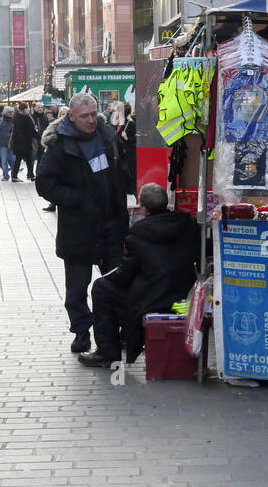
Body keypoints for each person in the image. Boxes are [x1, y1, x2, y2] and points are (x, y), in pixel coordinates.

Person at [36, 92, 129, 353]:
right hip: (78, 228)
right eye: (84, 116)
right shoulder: (60, 145)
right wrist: (75, 199)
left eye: (93, 115)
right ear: (72, 117)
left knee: (115, 282)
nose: (90, 121)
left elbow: (121, 170)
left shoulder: (107, 136)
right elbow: (44, 183)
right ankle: (81, 331)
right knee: (77, 288)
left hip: (111, 223)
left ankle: (115, 331)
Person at [79, 183, 200, 367]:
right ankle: (124, 339)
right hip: (182, 298)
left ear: (144, 208)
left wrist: (113, 274)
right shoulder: (188, 226)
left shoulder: (138, 234)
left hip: (154, 300)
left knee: (101, 288)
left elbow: (124, 276)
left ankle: (107, 352)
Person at [39, 106, 69, 212]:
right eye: (62, 114)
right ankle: (53, 203)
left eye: (66, 113)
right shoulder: (55, 127)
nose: (64, 116)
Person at [10, 103, 37, 182]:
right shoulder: (26, 118)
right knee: (27, 159)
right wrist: (40, 137)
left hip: (18, 142)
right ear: (24, 109)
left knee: (22, 159)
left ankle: (28, 175)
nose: (29, 109)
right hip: (25, 142)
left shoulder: (16, 118)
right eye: (28, 108)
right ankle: (27, 175)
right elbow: (32, 131)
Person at [0, 106, 15, 180]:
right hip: (2, 144)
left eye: (12, 112)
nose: (12, 113)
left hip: (12, 144)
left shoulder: (15, 121)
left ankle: (13, 175)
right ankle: (5, 175)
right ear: (5, 113)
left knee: (13, 161)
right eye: (10, 112)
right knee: (4, 161)